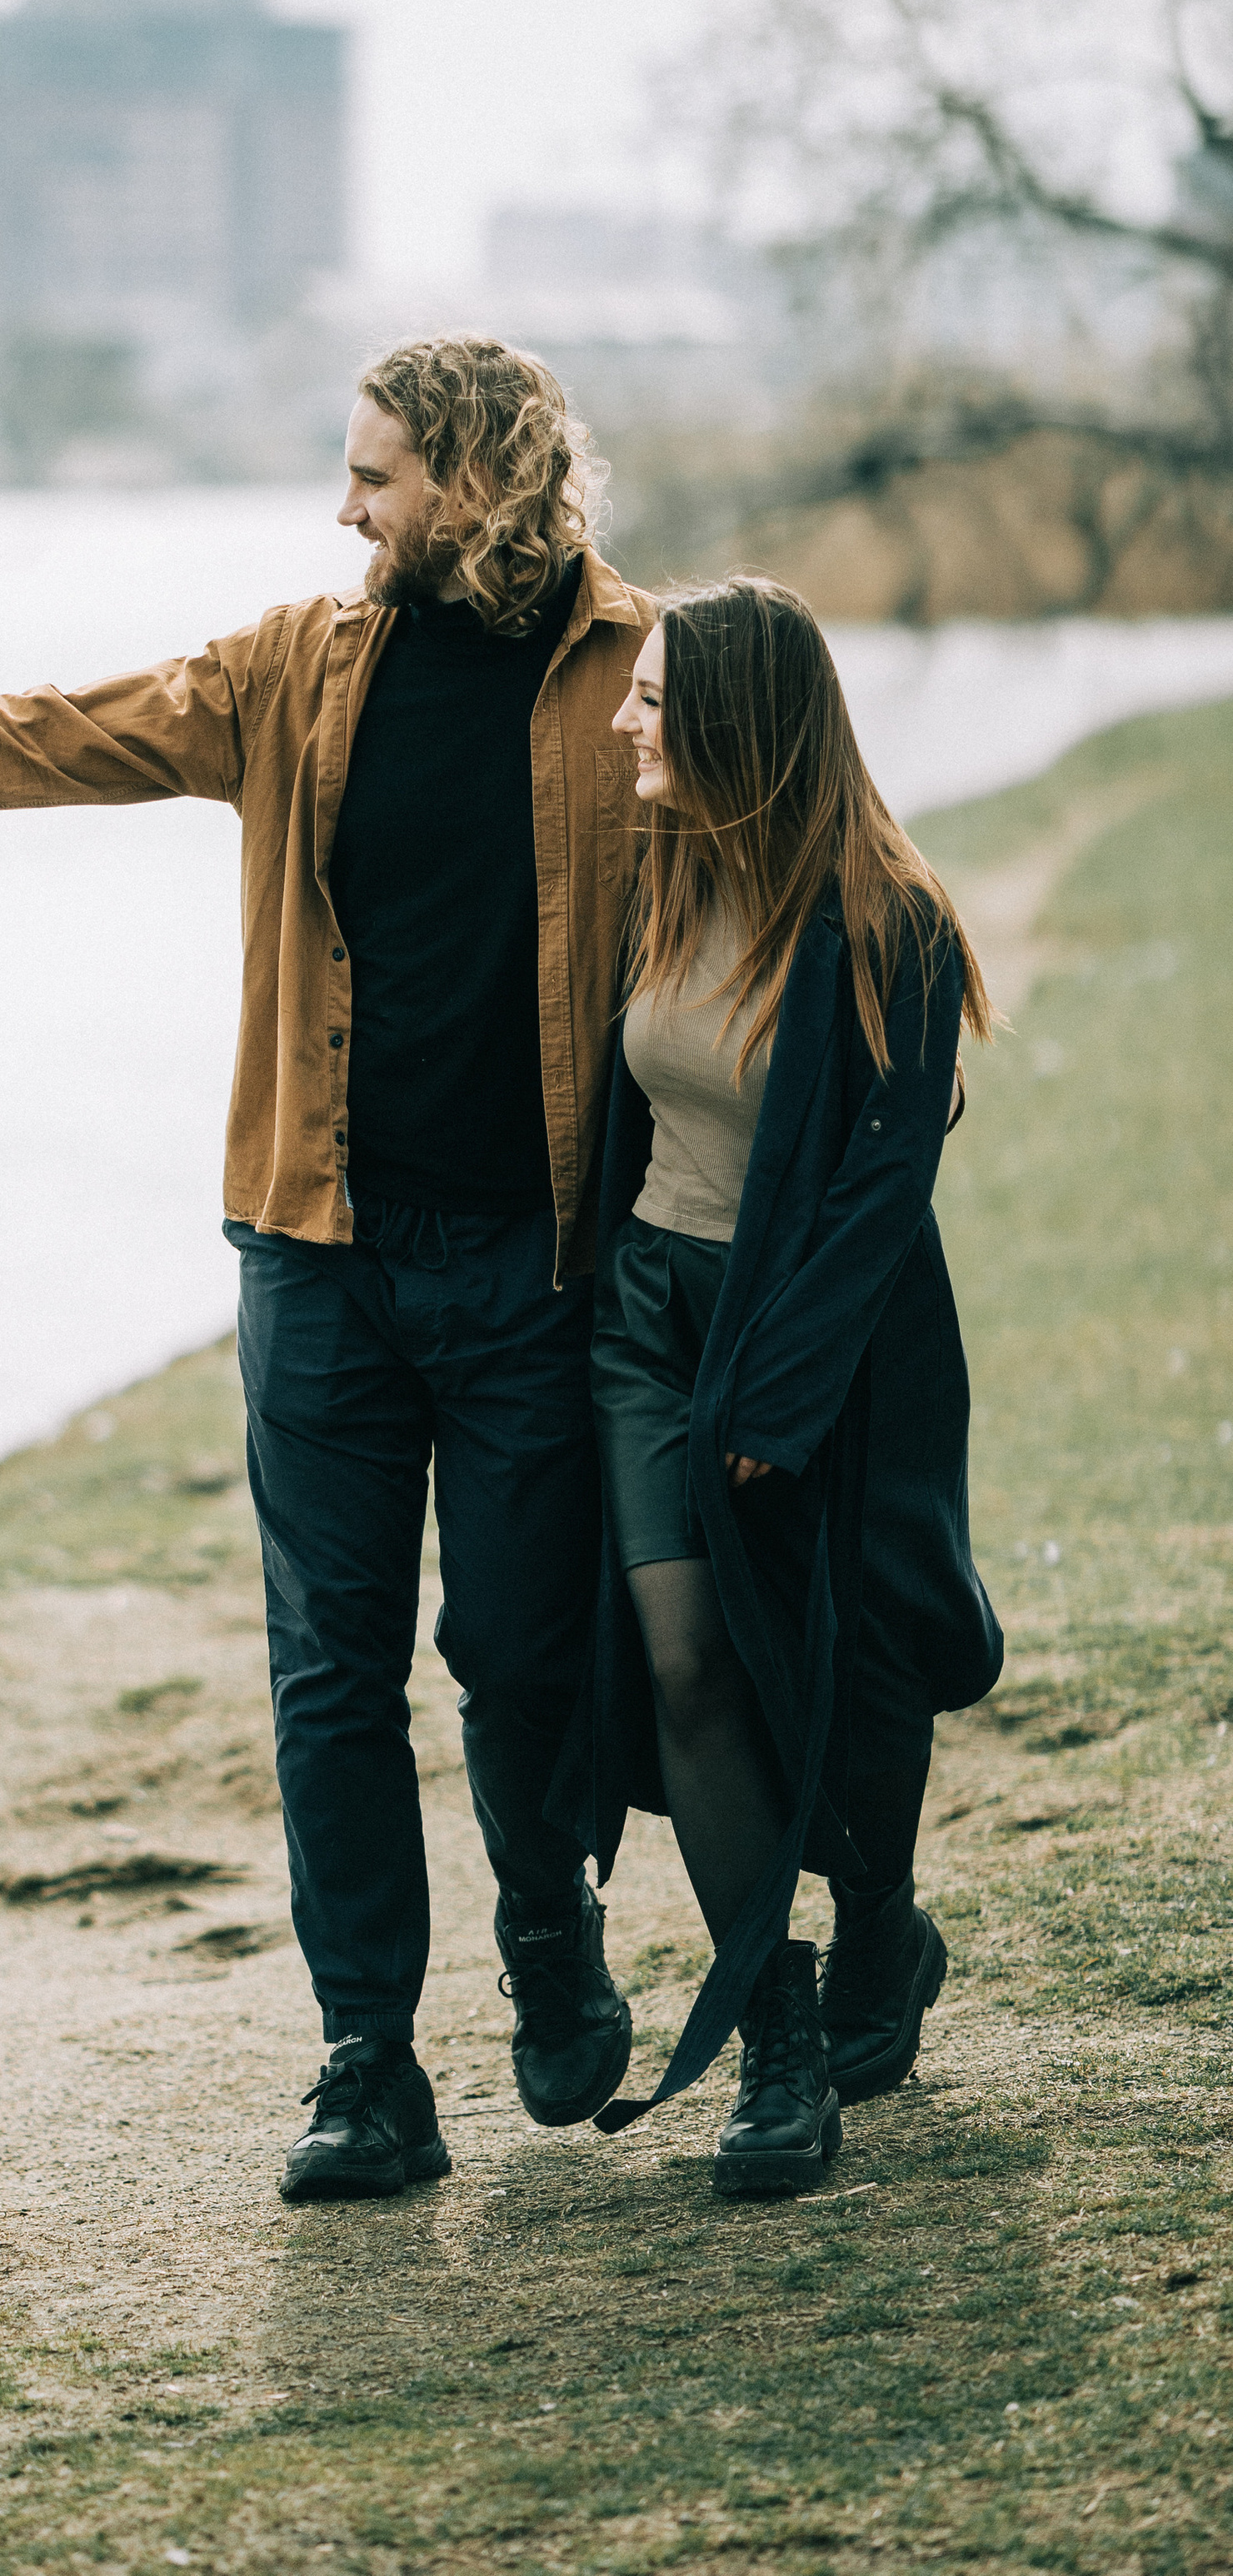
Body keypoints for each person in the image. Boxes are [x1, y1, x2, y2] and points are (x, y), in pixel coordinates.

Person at [0, 336, 654, 2202]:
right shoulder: (293, 669)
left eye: (377, 475)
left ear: (478, 483)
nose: (342, 507)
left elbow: (780, 873)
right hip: (316, 1258)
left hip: (529, 1270)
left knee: (514, 1653)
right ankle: (365, 2068)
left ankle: (551, 1933)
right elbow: (45, 731)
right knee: (328, 1673)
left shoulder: (634, 672)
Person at [575, 575, 1002, 2199]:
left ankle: (878, 1934)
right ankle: (773, 2040)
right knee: (686, 1666)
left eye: (651, 697)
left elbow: (874, 1191)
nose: (622, 720)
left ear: (738, 721)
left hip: (828, 1346)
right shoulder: (655, 879)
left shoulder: (883, 922)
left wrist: (779, 1400)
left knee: (850, 1670)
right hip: (645, 1321)